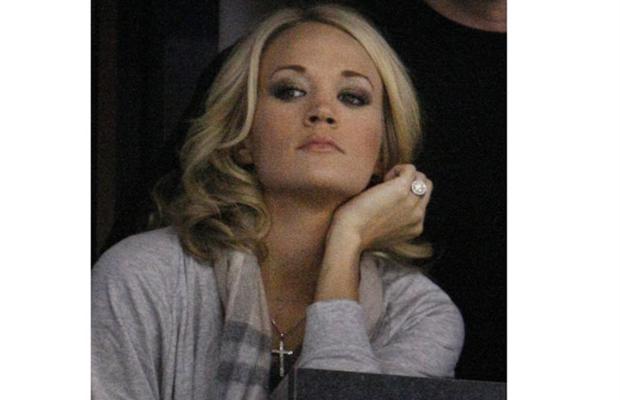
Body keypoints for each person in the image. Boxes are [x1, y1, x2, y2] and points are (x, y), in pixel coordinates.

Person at [92, 4, 464, 400]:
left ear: (382, 152)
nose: (322, 112)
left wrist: (346, 241)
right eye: (290, 91)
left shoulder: (421, 316)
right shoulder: (140, 275)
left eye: (352, 97)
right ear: (243, 138)